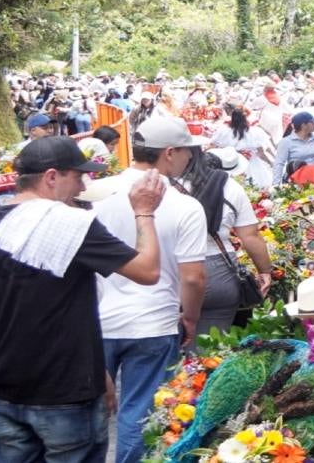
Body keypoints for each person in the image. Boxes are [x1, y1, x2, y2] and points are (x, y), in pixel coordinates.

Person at [0, 137, 165, 463]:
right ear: (51, 177)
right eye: (78, 176)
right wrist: (144, 213)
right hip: (67, 392)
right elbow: (147, 271)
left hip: (4, 386)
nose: (83, 185)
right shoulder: (72, 225)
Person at [91, 118, 208, 463]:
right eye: (187, 150)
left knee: (91, 409)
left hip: (97, 321)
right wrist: (190, 318)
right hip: (154, 322)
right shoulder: (185, 205)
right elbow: (193, 278)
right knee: (141, 413)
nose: (190, 157)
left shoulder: (95, 194)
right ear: (169, 154)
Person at [183, 149, 273, 335]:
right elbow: (250, 236)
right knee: (211, 344)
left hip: (175, 271)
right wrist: (265, 271)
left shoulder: (166, 185)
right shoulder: (231, 187)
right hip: (218, 272)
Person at [211, 105, 274, 188]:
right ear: (245, 118)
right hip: (252, 164)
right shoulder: (255, 132)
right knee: (255, 187)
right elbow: (261, 153)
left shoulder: (223, 131)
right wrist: (270, 162)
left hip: (230, 163)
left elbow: (214, 147)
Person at [273, 112, 314, 185]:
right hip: (298, 181)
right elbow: (279, 164)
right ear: (304, 125)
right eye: (312, 122)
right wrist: (275, 185)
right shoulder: (286, 142)